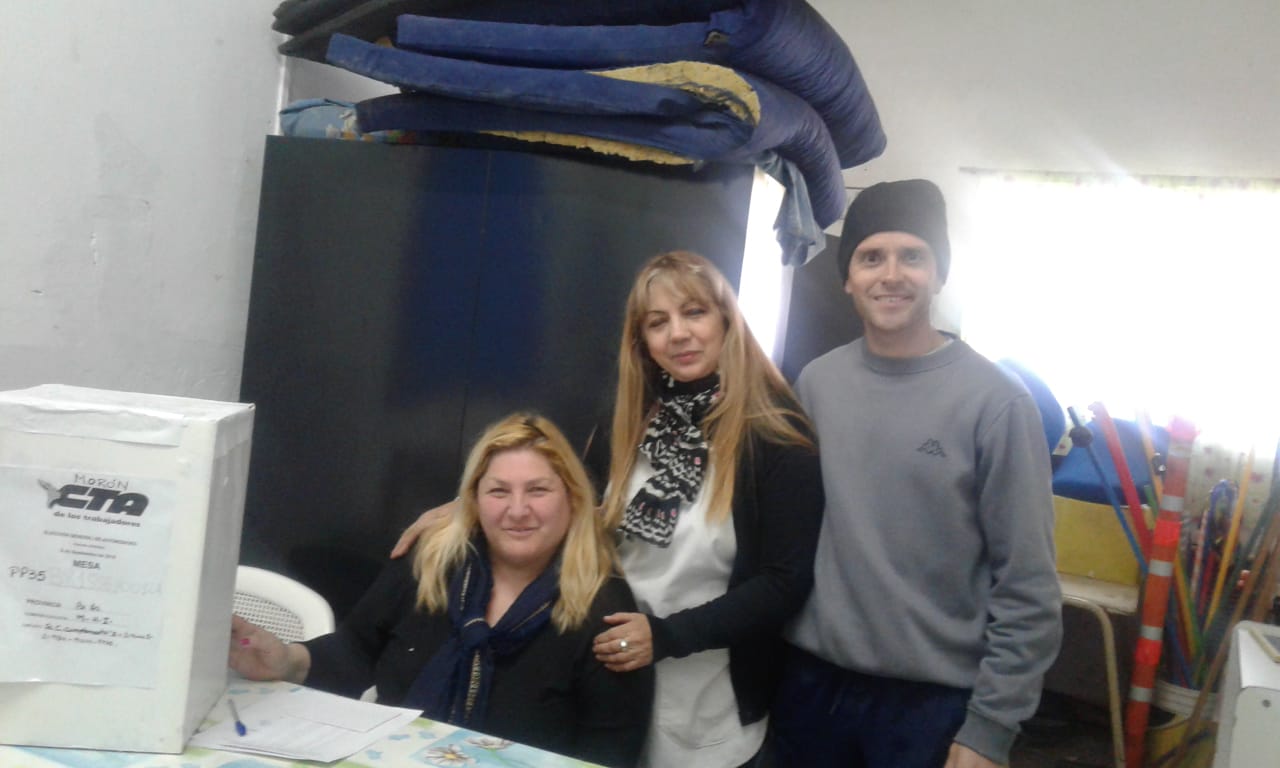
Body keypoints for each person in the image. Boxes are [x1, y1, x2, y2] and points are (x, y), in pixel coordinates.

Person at [393, 251, 824, 768]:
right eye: (658, 322)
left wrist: (665, 637)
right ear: (641, 341)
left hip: (706, 697)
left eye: (694, 312)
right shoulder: (629, 419)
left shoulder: (775, 436)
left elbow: (785, 581)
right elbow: (566, 503)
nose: (678, 334)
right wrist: (465, 508)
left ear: (727, 321)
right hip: (601, 679)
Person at [769, 179, 1062, 768]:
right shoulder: (817, 384)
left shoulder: (996, 403)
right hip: (809, 690)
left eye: (913, 256)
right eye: (871, 257)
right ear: (848, 277)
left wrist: (990, 728)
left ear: (940, 273)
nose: (891, 275)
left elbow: (1027, 584)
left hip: (928, 709)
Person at [229, 413, 653, 768]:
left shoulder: (605, 608)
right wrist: (287, 661)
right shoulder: (429, 564)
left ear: (573, 499)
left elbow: (612, 750)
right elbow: (356, 651)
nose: (517, 510)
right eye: (498, 491)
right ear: (474, 500)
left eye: (538, 490)